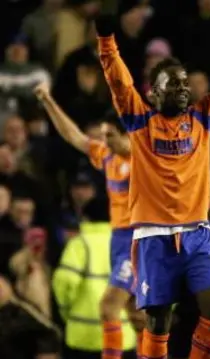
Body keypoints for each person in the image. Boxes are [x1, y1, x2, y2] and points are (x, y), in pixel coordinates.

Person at [95, 12, 210, 359]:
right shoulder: (139, 121)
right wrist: (106, 41)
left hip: (196, 232)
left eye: (184, 83)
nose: (182, 89)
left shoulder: (202, 118)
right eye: (173, 84)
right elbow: (118, 81)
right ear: (153, 92)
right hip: (152, 236)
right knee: (158, 321)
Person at [33, 82, 144, 359]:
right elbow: (75, 137)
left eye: (110, 136)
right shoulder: (108, 158)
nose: (104, 142)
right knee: (136, 314)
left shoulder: (147, 162)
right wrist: (48, 101)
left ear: (128, 135)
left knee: (109, 306)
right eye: (104, 136)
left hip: (137, 239)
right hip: (118, 238)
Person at [52, 198, 137, 359]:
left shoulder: (80, 244)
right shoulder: (129, 245)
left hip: (83, 337)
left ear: (85, 218)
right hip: (123, 337)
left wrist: (66, 311)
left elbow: (64, 282)